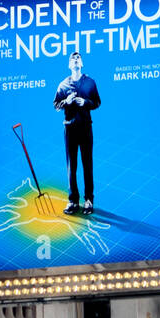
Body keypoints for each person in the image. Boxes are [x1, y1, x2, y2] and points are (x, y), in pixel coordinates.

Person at [53, 52, 101, 214]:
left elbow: (97, 102)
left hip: (86, 128)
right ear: (69, 65)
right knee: (71, 166)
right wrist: (65, 102)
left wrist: (85, 102)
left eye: (78, 58)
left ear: (82, 63)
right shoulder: (62, 85)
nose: (75, 60)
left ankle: (88, 200)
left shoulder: (90, 83)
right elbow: (56, 105)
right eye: (72, 59)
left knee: (87, 165)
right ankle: (73, 201)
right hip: (70, 130)